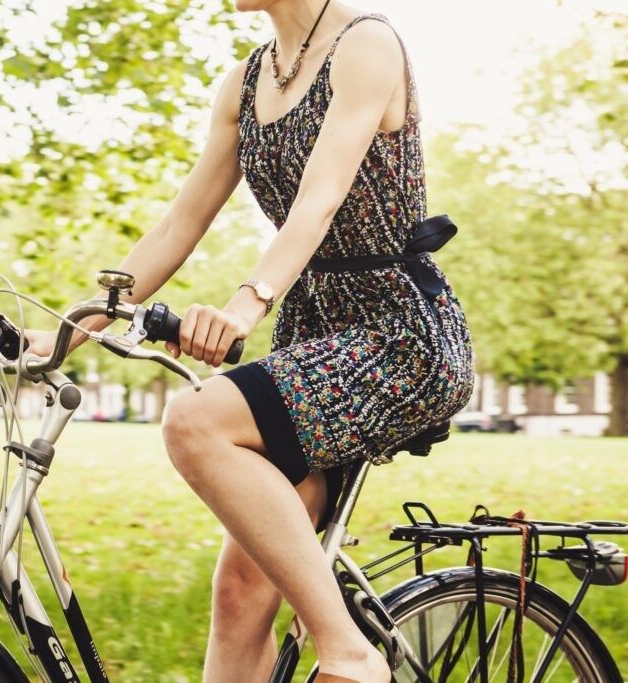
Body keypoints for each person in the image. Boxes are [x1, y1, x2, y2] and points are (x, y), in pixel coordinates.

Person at [25, 1, 475, 680]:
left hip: (396, 336)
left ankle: (350, 652)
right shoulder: (244, 82)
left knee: (195, 419)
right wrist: (65, 335)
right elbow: (179, 223)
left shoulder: (366, 44)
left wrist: (245, 305)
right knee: (241, 591)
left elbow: (319, 201)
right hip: (314, 333)